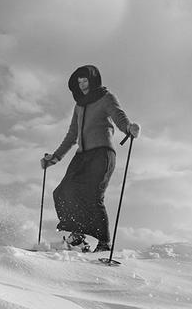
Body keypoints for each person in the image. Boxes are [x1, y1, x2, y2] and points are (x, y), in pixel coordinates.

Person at [41, 65, 139, 253]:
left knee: (93, 197)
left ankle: (104, 244)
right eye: (79, 82)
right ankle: (77, 236)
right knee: (62, 192)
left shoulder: (106, 98)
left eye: (85, 81)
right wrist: (55, 157)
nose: (82, 85)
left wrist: (128, 128)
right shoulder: (79, 105)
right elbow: (72, 135)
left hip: (102, 153)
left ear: (93, 80)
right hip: (82, 156)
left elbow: (119, 116)